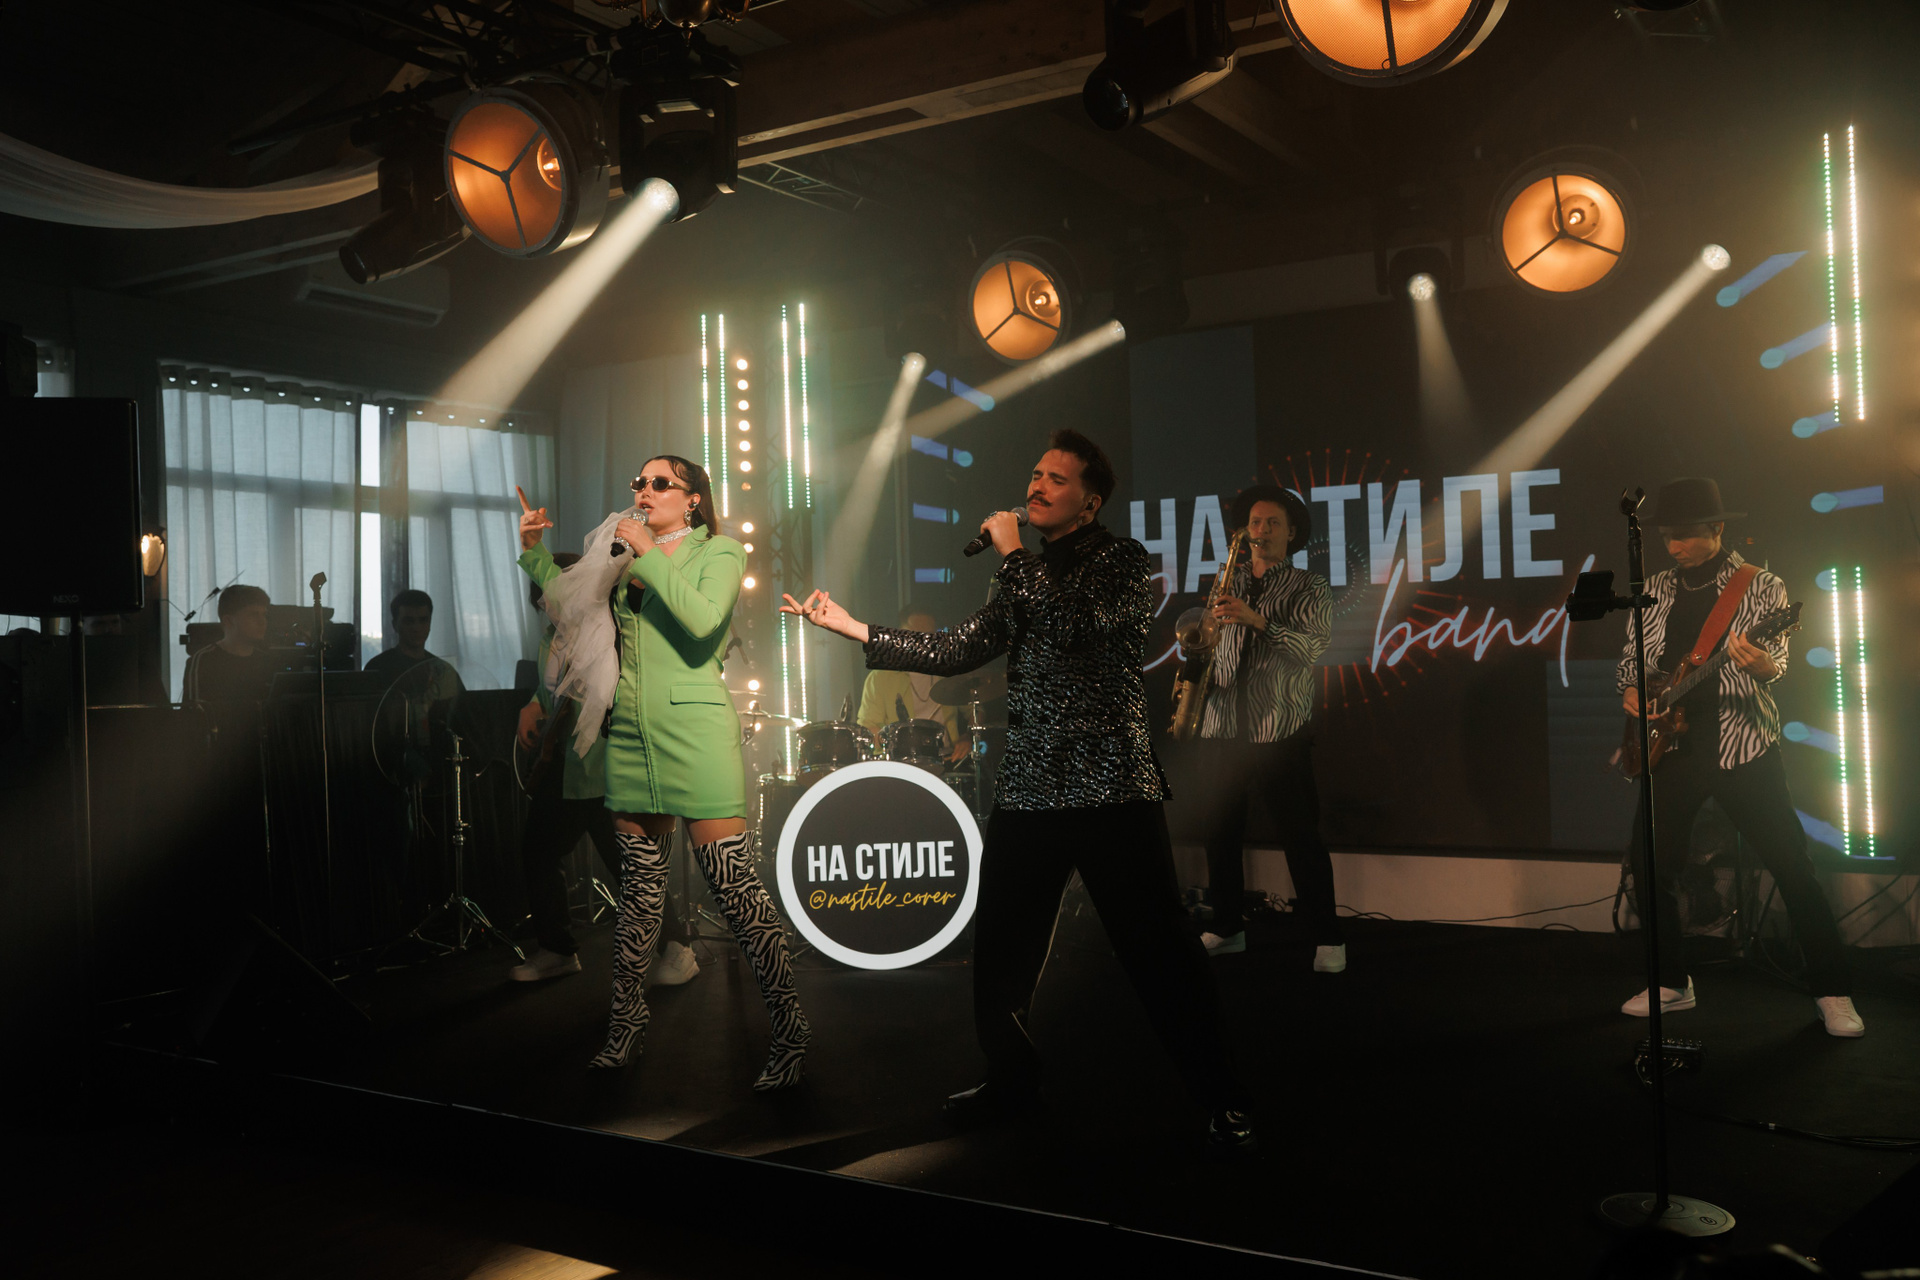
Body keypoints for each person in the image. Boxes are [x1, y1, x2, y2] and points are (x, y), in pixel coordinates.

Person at [784, 429, 1257, 1155]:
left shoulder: (1122, 563)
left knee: (1159, 950)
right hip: (1032, 784)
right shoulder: (1023, 575)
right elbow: (956, 650)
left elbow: (1072, 628)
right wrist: (852, 626)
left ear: (1090, 502)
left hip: (1108, 785)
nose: (1037, 485)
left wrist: (1011, 556)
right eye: (1035, 473)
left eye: (1057, 479)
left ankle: (1222, 1096)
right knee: (1002, 947)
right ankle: (1010, 1081)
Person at [523, 457, 808, 1089]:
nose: (644, 491)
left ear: (693, 499)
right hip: (631, 735)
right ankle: (624, 1031)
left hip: (697, 733)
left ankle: (790, 1034)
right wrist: (534, 552)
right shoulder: (624, 556)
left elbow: (703, 622)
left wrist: (650, 554)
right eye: (639, 483)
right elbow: (569, 605)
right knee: (639, 898)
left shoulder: (721, 552)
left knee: (735, 889)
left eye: (659, 483)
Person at [1617, 477, 1863, 1038]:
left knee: (1792, 867)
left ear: (1717, 529)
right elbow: (1633, 658)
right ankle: (1671, 982)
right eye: (1667, 536)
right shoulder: (1654, 588)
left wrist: (1762, 665)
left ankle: (1832, 991)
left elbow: (1777, 661)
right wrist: (1631, 690)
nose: (1674, 546)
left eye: (1685, 535)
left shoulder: (1761, 586)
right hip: (1672, 750)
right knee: (1650, 867)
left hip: (1743, 745)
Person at [509, 548, 699, 988]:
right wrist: (534, 703)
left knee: (631, 863)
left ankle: (678, 947)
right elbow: (554, 691)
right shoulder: (550, 638)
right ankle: (557, 949)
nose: (549, 603)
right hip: (568, 767)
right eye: (543, 597)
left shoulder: (612, 628)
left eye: (556, 592)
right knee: (539, 851)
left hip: (612, 764)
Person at [1190, 485, 1342, 970]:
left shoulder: (1309, 585)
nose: (1262, 530)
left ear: (1291, 533)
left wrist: (1258, 621)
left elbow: (1312, 649)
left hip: (1278, 727)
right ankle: (1227, 928)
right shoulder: (1227, 579)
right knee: (1219, 833)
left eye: (1273, 523)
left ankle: (1328, 939)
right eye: (1255, 522)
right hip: (1221, 723)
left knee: (1300, 838)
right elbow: (1210, 641)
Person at [857, 610, 968, 764]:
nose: (922, 640)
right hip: (900, 764)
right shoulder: (879, 677)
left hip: (948, 759)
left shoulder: (949, 670)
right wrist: (896, 741)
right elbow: (867, 728)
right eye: (915, 633)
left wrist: (968, 737)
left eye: (928, 634)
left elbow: (975, 708)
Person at [181, 585, 275, 705]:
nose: (262, 622)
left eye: (264, 615)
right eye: (253, 615)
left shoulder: (267, 661)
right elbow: (193, 712)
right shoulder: (204, 661)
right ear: (228, 621)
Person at [365, 589, 437, 677]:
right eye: (409, 621)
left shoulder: (440, 669)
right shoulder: (377, 667)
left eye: (423, 620)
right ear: (395, 625)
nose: (416, 628)